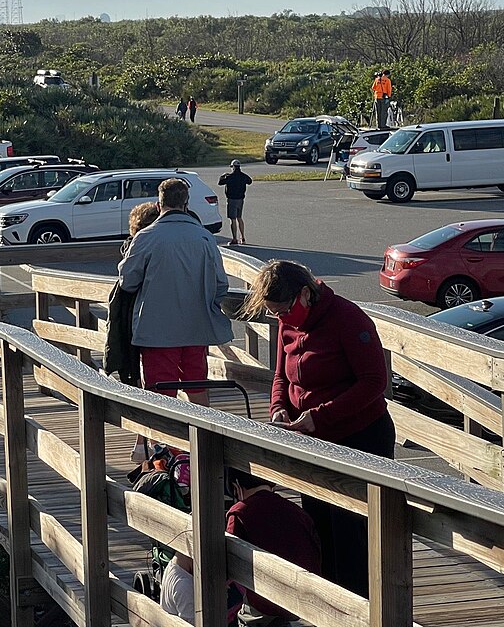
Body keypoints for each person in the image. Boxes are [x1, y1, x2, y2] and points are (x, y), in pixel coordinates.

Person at [242, 260, 394, 597]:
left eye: (283, 310)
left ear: (306, 294)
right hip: (312, 439)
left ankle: (362, 610)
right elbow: (281, 375)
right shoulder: (286, 324)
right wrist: (279, 408)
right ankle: (327, 608)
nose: (280, 318)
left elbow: (374, 383)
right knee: (320, 530)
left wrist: (319, 417)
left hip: (360, 437)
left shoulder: (348, 318)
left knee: (353, 536)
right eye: (274, 312)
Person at [117, 178, 233, 408]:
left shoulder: (147, 237)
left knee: (161, 395)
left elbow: (127, 282)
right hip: (196, 329)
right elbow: (220, 284)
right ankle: (202, 439)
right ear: (186, 204)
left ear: (159, 205)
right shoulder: (205, 238)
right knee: (197, 387)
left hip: (157, 331)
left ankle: (162, 442)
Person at [226, 468, 321, 626]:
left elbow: (228, 563)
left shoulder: (239, 513)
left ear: (237, 487)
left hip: (264, 606)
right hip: (303, 603)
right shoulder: (299, 513)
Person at [104, 202, 161, 462]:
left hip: (129, 325)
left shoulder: (132, 247)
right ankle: (150, 442)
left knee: (139, 383)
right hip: (148, 323)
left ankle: (142, 442)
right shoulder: (152, 245)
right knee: (152, 385)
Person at [218, 160, 252, 245]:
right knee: (239, 218)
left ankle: (234, 239)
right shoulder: (243, 176)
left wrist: (223, 176)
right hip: (240, 200)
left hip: (232, 199)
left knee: (233, 219)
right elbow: (250, 181)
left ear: (232, 167)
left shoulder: (229, 177)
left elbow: (220, 182)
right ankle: (242, 237)